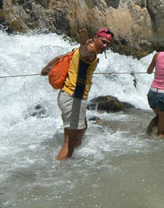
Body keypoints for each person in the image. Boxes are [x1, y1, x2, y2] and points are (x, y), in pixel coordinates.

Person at [42, 27, 113, 161]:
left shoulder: (80, 50)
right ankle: (59, 169)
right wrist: (83, 44)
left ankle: (70, 158)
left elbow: (60, 57)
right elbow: (86, 54)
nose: (105, 46)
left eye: (108, 44)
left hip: (69, 97)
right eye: (103, 42)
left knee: (82, 129)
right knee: (70, 142)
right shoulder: (90, 51)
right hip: (74, 99)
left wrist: (47, 68)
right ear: (95, 38)